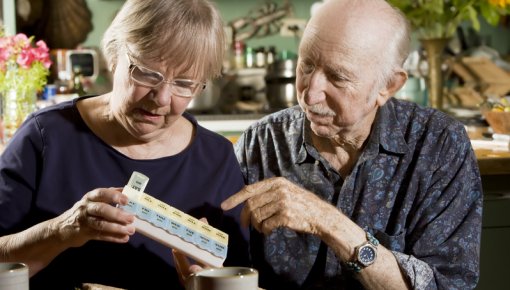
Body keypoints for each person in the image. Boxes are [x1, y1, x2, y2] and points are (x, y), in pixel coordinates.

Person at [221, 0, 483, 289]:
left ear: (388, 86)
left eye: (337, 77)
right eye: (306, 65)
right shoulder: (261, 141)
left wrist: (328, 222)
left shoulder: (440, 146)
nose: (310, 94)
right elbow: (227, 262)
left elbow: (446, 286)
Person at [0, 0, 249, 289]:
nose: (162, 97)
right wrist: (61, 230)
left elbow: (240, 276)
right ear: (115, 57)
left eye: (184, 83)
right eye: (147, 72)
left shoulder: (216, 158)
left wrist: (203, 283)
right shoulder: (46, 136)